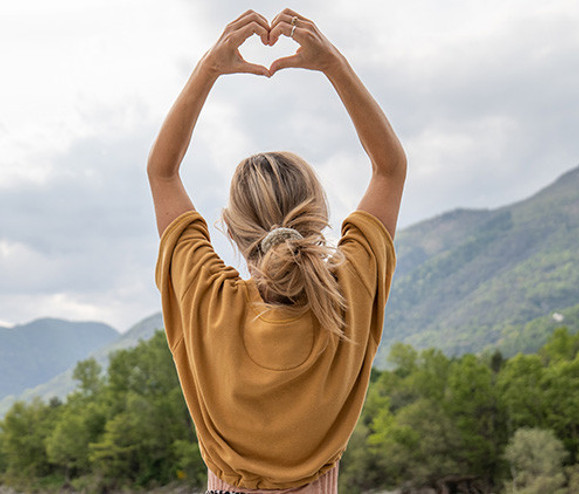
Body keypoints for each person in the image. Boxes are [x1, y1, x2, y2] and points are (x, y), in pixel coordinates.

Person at [148, 8, 406, 493]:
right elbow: (389, 168)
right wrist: (333, 64)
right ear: (317, 218)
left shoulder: (208, 303)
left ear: (230, 227)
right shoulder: (347, 297)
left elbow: (162, 172)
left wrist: (209, 68)